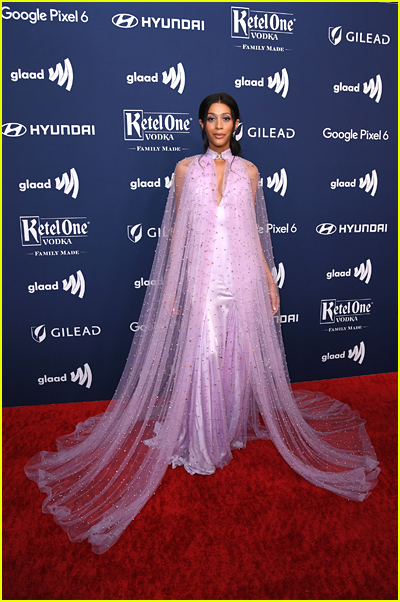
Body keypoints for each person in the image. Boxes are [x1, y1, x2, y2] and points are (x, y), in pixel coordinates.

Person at [25, 93, 380, 555]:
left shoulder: (249, 173)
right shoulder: (184, 170)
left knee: (234, 353)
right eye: (211, 119)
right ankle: (200, 439)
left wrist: (270, 282)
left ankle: (228, 428)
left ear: (237, 124)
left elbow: (256, 233)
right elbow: (178, 232)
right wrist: (171, 286)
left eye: (226, 118)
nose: (219, 125)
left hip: (244, 278)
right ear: (201, 123)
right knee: (206, 353)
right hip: (202, 280)